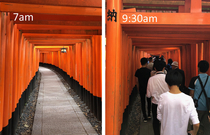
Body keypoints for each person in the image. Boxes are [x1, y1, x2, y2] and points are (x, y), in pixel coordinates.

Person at [157, 70, 200, 135]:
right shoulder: (188, 99)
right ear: (180, 83)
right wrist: (194, 132)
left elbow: (159, 117)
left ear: (167, 83)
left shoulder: (162, 97)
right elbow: (196, 123)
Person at [147, 60, 169, 135]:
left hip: (155, 103)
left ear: (155, 68)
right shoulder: (168, 78)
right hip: (167, 103)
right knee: (166, 120)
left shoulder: (151, 79)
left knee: (155, 121)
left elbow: (148, 95)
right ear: (164, 68)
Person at [188, 60, 210, 135]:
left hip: (197, 107)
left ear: (198, 68)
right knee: (207, 127)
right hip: (208, 107)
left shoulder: (194, 79)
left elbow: (191, 94)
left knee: (195, 126)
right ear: (207, 69)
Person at [135, 58, 151, 122]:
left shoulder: (138, 71)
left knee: (143, 102)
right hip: (148, 88)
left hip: (141, 88)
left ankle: (144, 117)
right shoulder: (149, 71)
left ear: (140, 63)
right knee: (149, 101)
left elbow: (137, 81)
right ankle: (149, 114)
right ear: (146, 63)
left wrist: (138, 89)